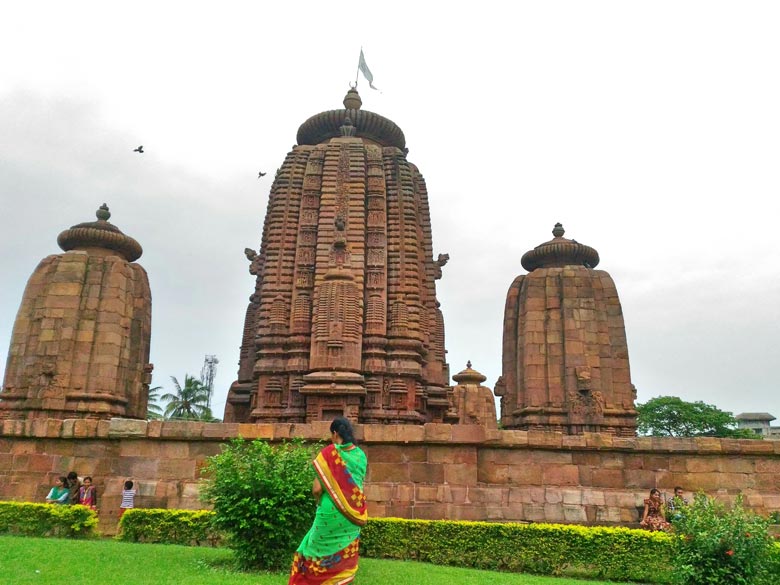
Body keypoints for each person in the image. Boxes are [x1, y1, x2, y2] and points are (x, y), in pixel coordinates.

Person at [289, 417, 368, 585]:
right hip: (353, 514)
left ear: (334, 433)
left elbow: (317, 489)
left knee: (314, 548)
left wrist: (318, 501)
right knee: (345, 549)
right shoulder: (361, 455)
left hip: (329, 511)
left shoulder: (329, 454)